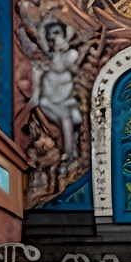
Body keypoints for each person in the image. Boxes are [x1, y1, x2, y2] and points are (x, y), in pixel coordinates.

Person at [29, 22, 83, 163]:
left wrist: (64, 48)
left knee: (67, 116)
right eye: (50, 35)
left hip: (65, 99)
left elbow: (73, 69)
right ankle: (67, 149)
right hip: (48, 100)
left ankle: (69, 152)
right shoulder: (48, 56)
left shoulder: (71, 54)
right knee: (59, 113)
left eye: (57, 33)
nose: (53, 38)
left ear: (65, 35)